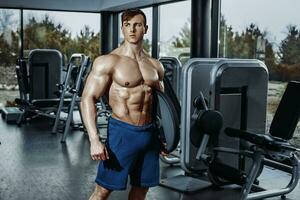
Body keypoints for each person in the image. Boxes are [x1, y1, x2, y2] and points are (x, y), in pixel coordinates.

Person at [80, 9, 165, 200]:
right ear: (122, 28)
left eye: (137, 25)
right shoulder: (108, 62)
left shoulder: (156, 65)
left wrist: (166, 135)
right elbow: (87, 99)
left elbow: (162, 104)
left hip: (150, 133)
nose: (132, 29)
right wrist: (94, 140)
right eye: (127, 25)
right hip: (122, 134)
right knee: (102, 191)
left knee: (142, 188)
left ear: (146, 28)